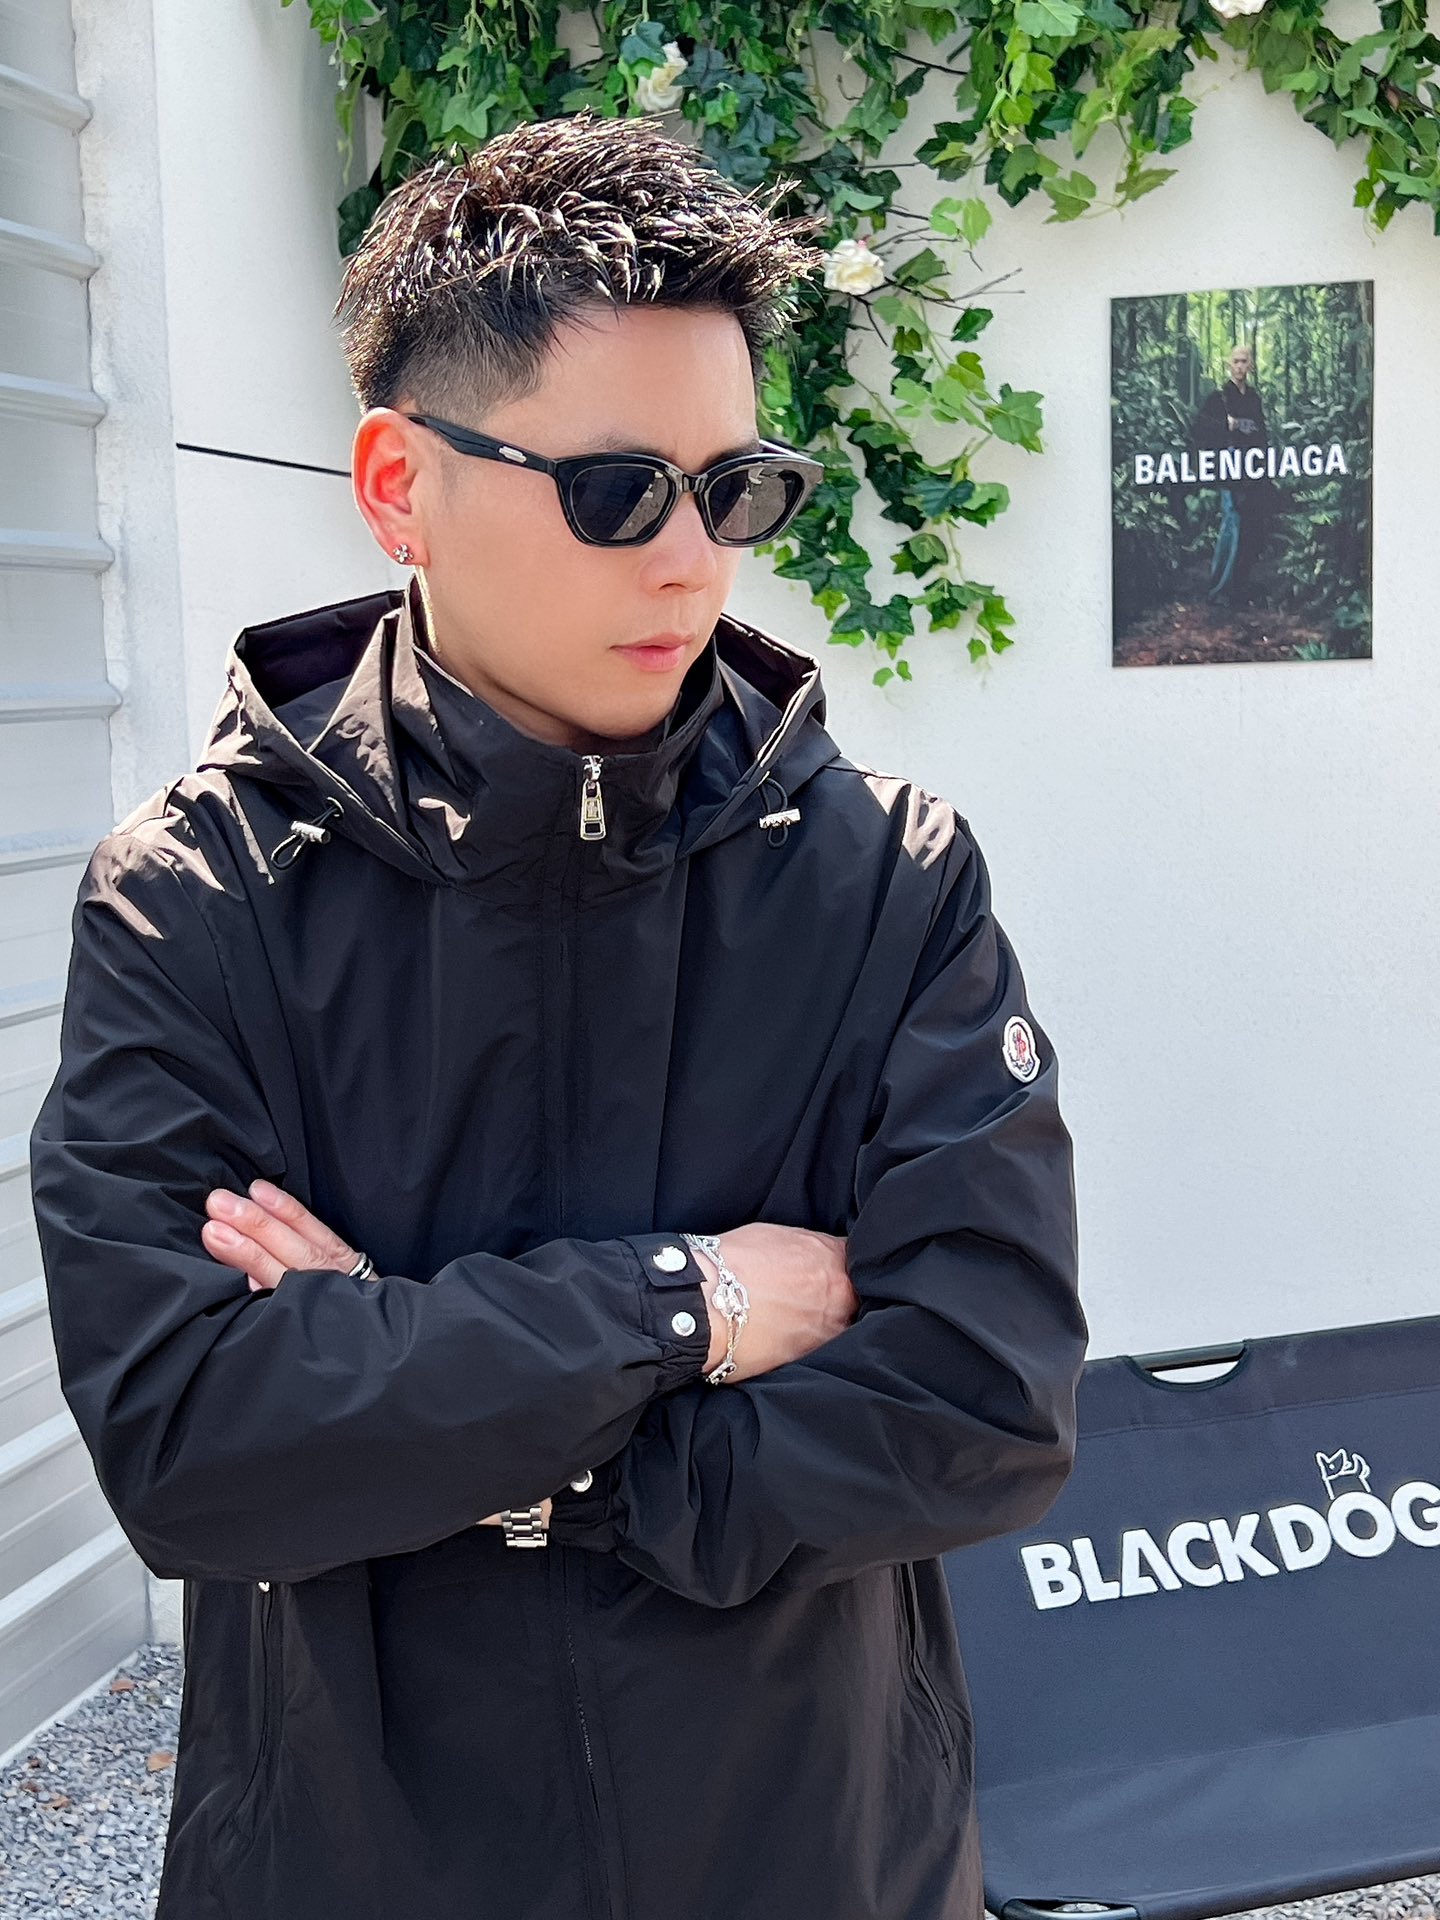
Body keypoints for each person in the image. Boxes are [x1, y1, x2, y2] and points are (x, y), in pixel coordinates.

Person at [30, 111, 1087, 1920]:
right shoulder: (199, 900)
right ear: (398, 485)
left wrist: (473, 1433)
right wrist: (693, 1302)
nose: (692, 562)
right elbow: (196, 1452)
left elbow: (982, 1399)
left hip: (811, 1854)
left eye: (734, 489)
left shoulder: (882, 882)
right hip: (358, 1862)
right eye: (615, 491)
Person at [1192, 342, 1273, 609]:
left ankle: (1238, 588)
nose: (1239, 366)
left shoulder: (1254, 398)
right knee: (1231, 526)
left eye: (1244, 361)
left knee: (1250, 531)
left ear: (1251, 365)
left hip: (1252, 475)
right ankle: (1218, 589)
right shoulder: (1219, 398)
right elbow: (1200, 429)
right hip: (1229, 474)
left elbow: (1262, 434)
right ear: (1229, 364)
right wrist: (1226, 425)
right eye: (1235, 361)